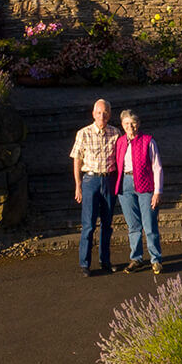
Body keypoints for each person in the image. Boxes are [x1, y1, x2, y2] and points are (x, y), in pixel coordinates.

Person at [70, 98, 120, 276]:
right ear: (93, 114)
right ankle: (85, 264)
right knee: (89, 225)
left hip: (108, 180)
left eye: (105, 112)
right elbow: (77, 160)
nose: (102, 115)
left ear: (109, 114)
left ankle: (105, 261)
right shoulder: (83, 133)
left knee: (107, 224)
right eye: (99, 112)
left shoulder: (116, 133)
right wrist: (78, 185)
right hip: (90, 180)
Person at [114, 109, 165, 274]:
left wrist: (157, 192)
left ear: (139, 123)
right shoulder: (120, 142)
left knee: (149, 225)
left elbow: (157, 167)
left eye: (133, 123)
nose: (130, 126)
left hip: (145, 185)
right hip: (125, 184)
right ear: (122, 125)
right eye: (127, 123)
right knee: (133, 226)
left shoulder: (148, 141)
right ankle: (136, 258)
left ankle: (155, 259)